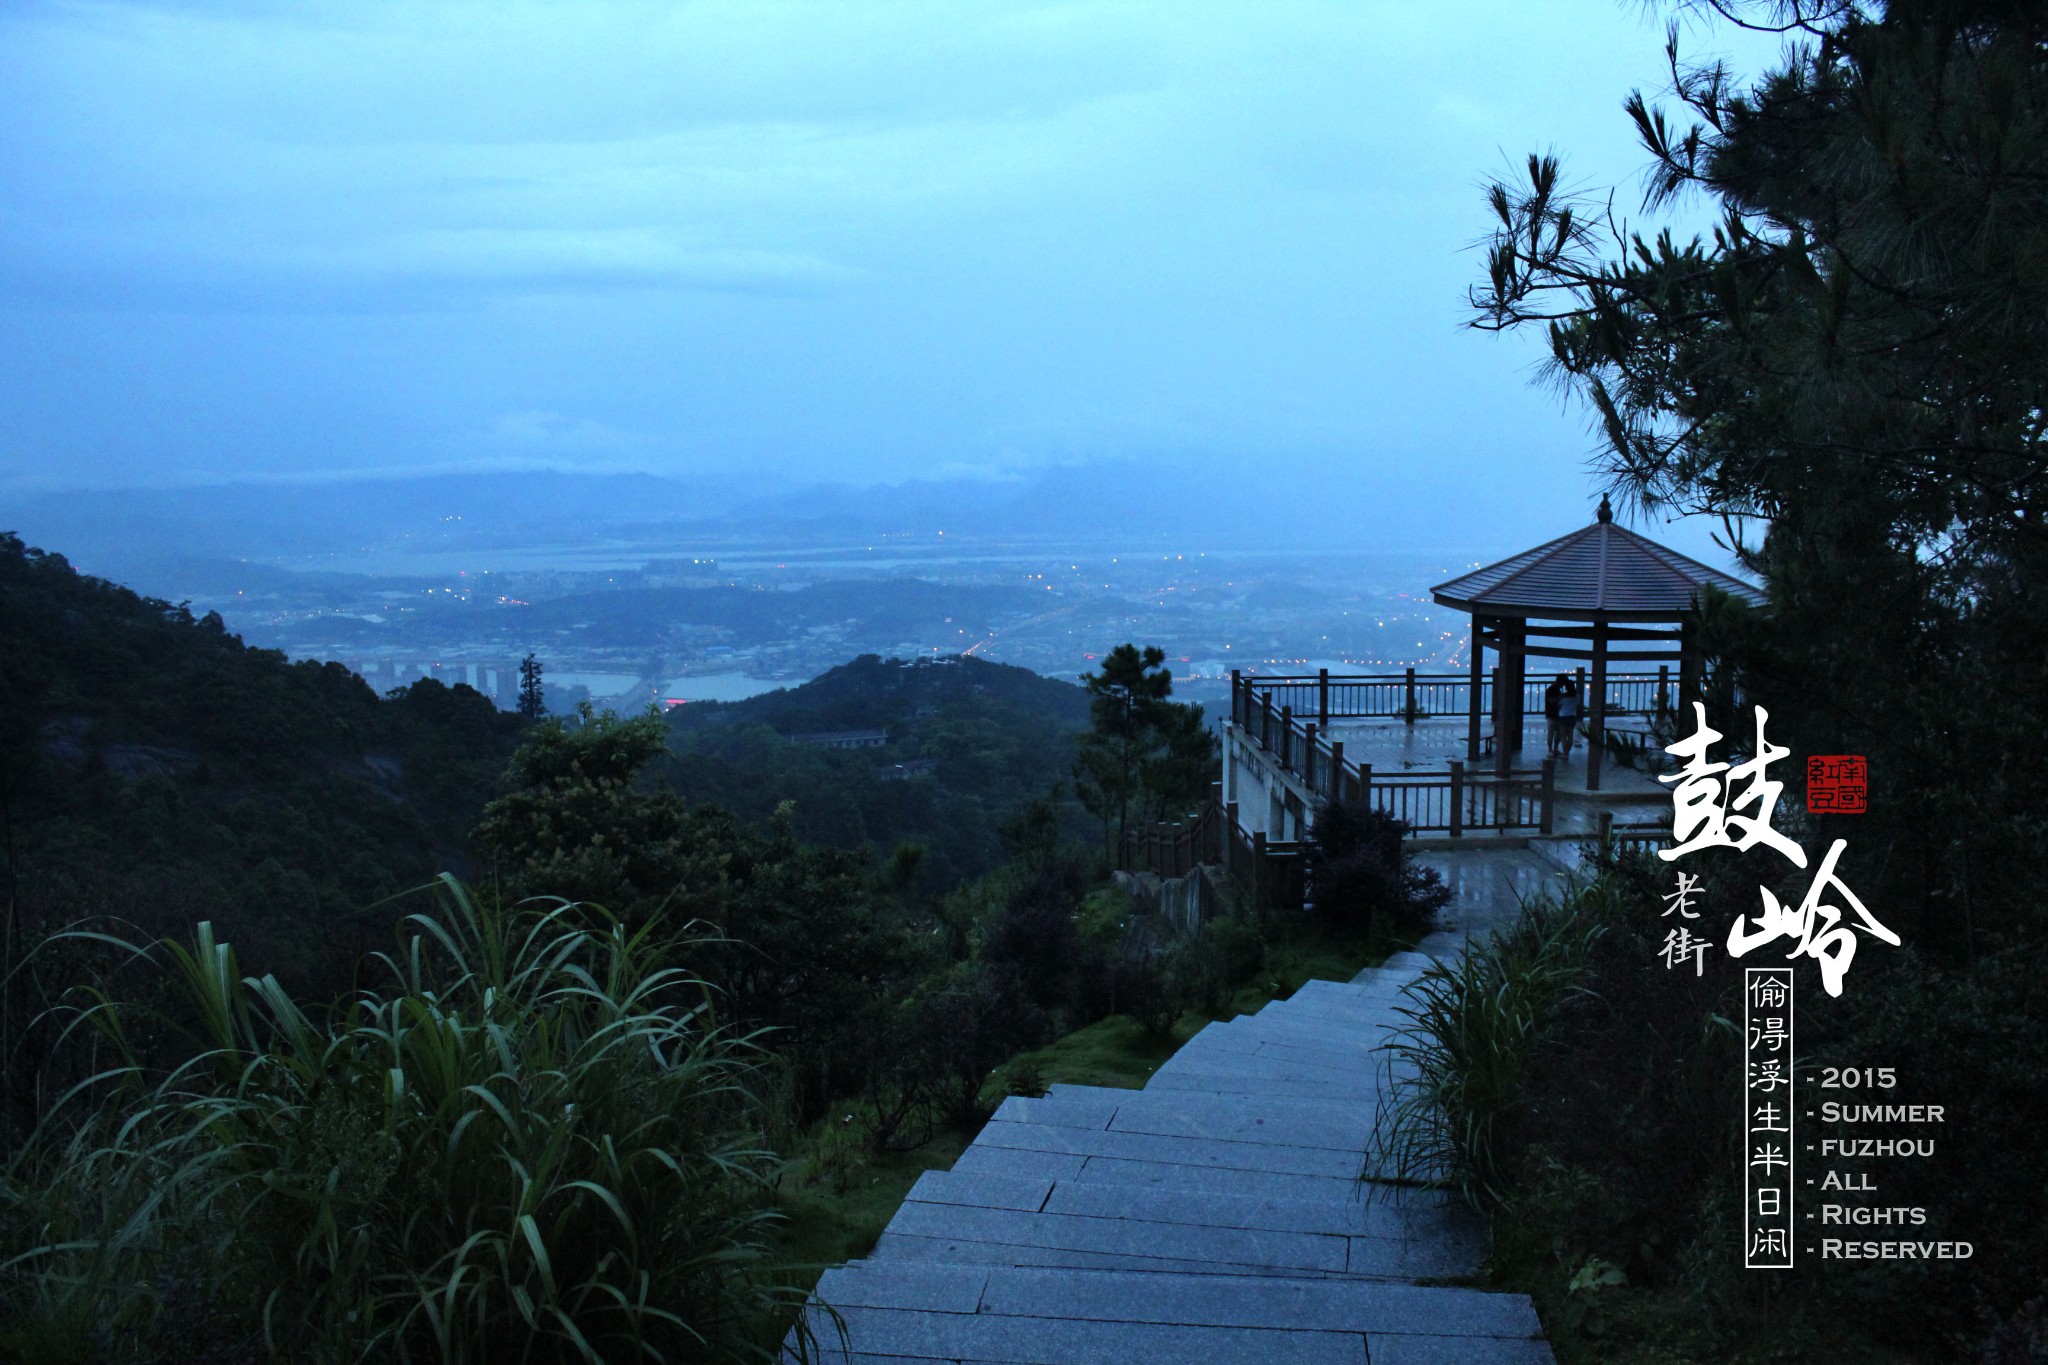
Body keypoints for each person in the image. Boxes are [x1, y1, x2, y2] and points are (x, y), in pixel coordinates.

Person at [1554, 674, 1582, 759]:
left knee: (1563, 736)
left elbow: (1558, 705)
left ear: (1566, 687)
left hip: (1563, 717)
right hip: (1572, 717)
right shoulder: (1577, 696)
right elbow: (1577, 705)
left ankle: (1565, 753)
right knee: (1570, 736)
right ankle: (1567, 753)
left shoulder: (1563, 696)